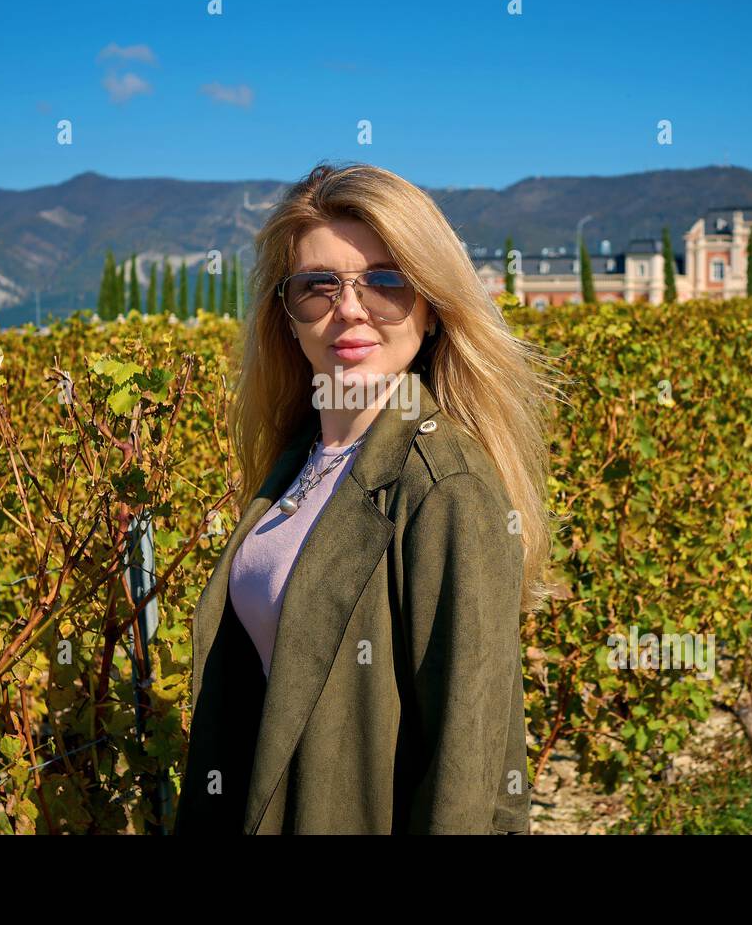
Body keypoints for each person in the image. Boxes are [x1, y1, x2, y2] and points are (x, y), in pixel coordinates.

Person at [172, 161, 563, 834]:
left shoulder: (446, 488)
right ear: (286, 315)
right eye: (316, 287)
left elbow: (463, 775)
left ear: (433, 305)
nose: (349, 308)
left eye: (386, 282)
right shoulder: (297, 460)